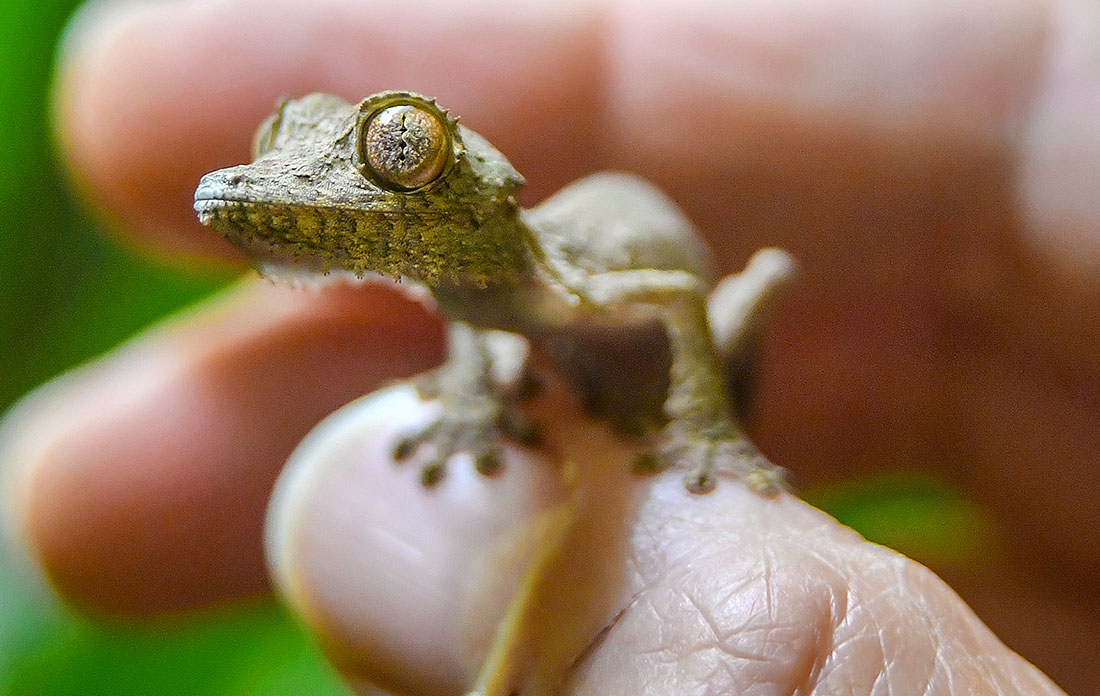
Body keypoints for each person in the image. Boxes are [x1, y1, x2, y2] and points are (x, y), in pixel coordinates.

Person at [7, 0, 1099, 692]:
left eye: (397, 148)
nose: (354, 177)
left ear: (475, 181)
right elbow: (480, 320)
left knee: (746, 284)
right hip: (562, 368)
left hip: (677, 355)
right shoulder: (464, 285)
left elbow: (676, 298)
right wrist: (477, 395)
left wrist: (699, 426)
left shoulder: (560, 276)